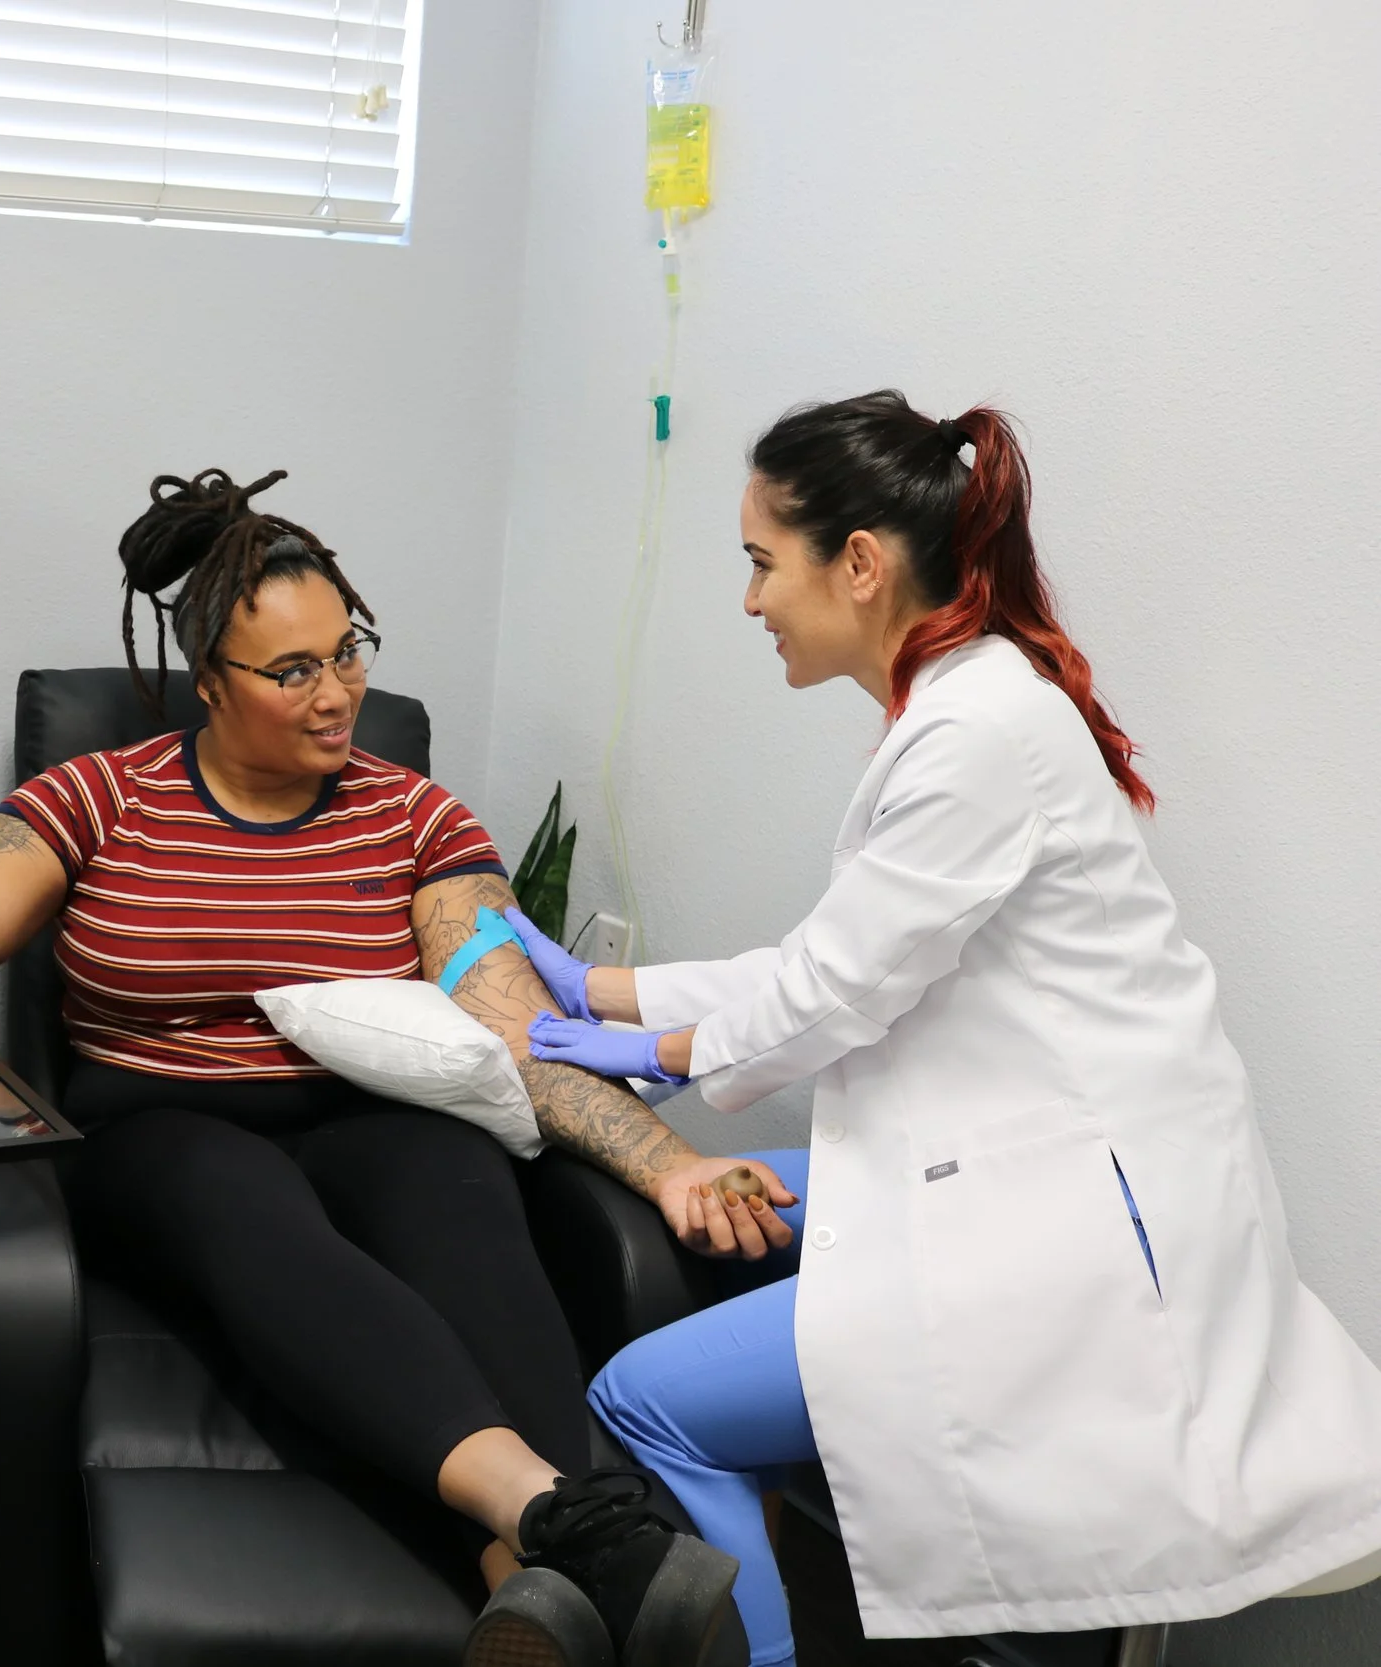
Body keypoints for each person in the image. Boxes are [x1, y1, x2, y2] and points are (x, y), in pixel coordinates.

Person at [0, 468, 781, 1667]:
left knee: (464, 1202)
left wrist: (673, 1166)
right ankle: (571, 1518)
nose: (336, 693)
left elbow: (512, 1026)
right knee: (248, 1208)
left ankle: (533, 1578)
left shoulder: (416, 817)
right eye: (293, 670)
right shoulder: (100, 797)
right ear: (210, 683)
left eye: (348, 652)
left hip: (376, 1113)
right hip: (160, 1126)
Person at [511, 393, 1381, 1667]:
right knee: (754, 1210)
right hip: (1021, 1169)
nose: (749, 600)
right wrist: (599, 991)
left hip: (1072, 1229)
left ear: (858, 563)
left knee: (646, 1403)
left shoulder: (975, 733)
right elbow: (826, 960)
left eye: (760, 561)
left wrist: (650, 1051)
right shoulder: (965, 706)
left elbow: (826, 995)